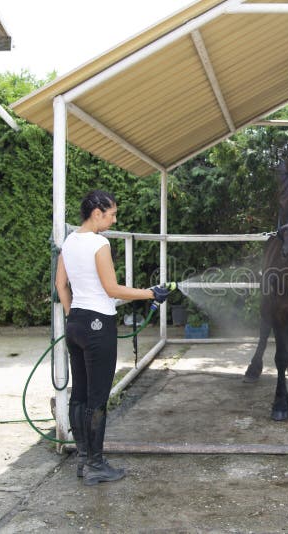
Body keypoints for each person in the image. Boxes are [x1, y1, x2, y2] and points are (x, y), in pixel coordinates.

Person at [55, 190, 171, 486]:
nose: (114, 219)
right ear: (97, 213)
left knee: (79, 394)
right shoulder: (99, 243)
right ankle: (95, 464)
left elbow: (60, 284)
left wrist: (72, 316)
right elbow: (112, 289)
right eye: (111, 214)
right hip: (98, 326)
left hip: (77, 324)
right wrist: (151, 293)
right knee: (97, 399)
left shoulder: (69, 241)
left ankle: (83, 458)